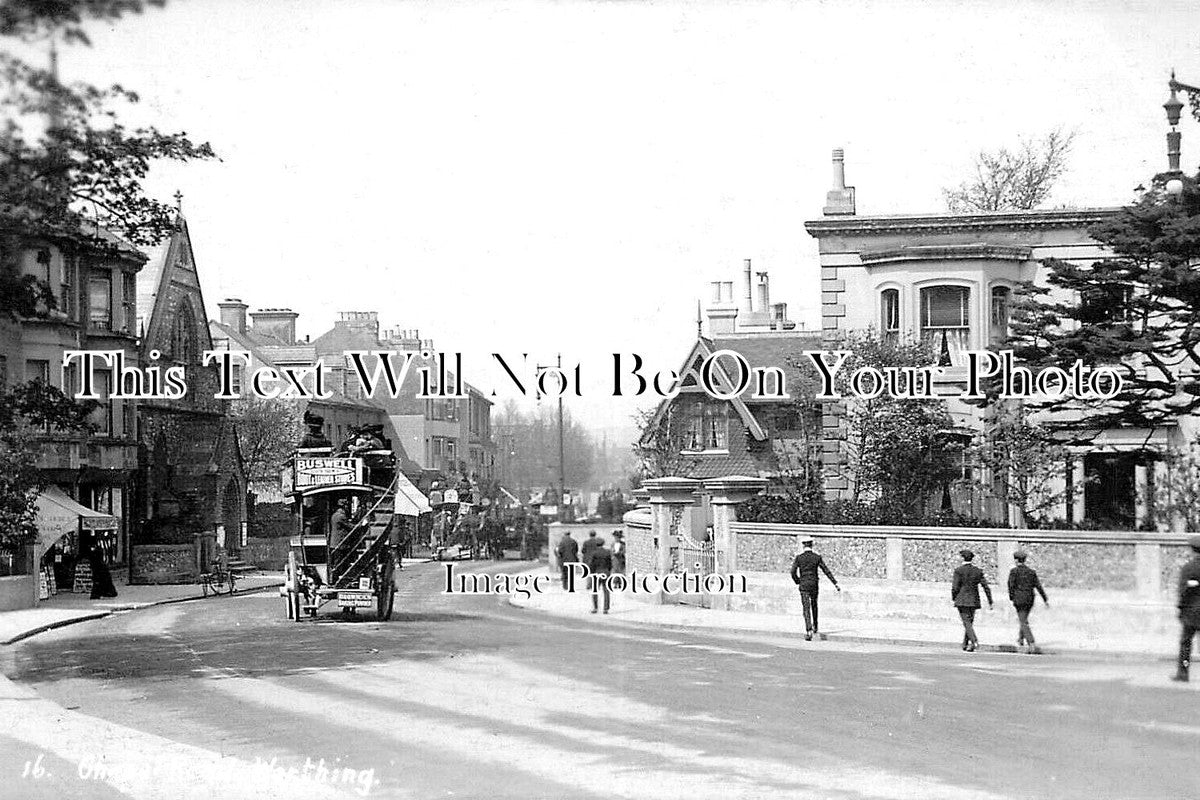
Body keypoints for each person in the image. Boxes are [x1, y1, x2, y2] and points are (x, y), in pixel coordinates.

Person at [789, 538, 840, 641]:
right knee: (814, 605)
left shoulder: (799, 558)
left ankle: (808, 630)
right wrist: (835, 583)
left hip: (804, 585)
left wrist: (797, 581)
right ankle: (815, 626)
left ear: (804, 546)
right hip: (814, 584)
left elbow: (792, 572)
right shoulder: (816, 557)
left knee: (806, 608)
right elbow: (826, 570)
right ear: (812, 545)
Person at [1007, 549, 1049, 654]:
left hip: (1019, 599)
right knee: (1024, 618)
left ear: (1016, 560)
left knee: (1023, 621)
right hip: (1030, 599)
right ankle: (1020, 639)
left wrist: (1011, 597)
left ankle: (1031, 642)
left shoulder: (1014, 572)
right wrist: (1045, 599)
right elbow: (1038, 586)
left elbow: (1010, 586)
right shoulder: (1031, 572)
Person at [1172, 535, 1200, 682]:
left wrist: (1180, 608)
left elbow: (1183, 592)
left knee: (1186, 644)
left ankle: (1183, 672)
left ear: (1193, 551)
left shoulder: (1188, 568)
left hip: (1191, 612)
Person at [952, 549, 993, 652]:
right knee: (969, 622)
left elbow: (955, 587)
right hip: (974, 599)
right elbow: (985, 586)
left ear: (962, 558)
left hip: (962, 599)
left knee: (966, 622)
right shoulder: (977, 571)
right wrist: (990, 600)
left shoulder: (958, 571)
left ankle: (974, 641)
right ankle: (965, 644)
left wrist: (954, 597)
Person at [586, 536, 613, 614]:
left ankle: (595, 607)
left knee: (595, 591)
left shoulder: (594, 553)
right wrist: (608, 571)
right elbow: (610, 563)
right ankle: (605, 608)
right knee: (606, 591)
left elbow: (591, 564)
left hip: (596, 573)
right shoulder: (607, 552)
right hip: (606, 572)